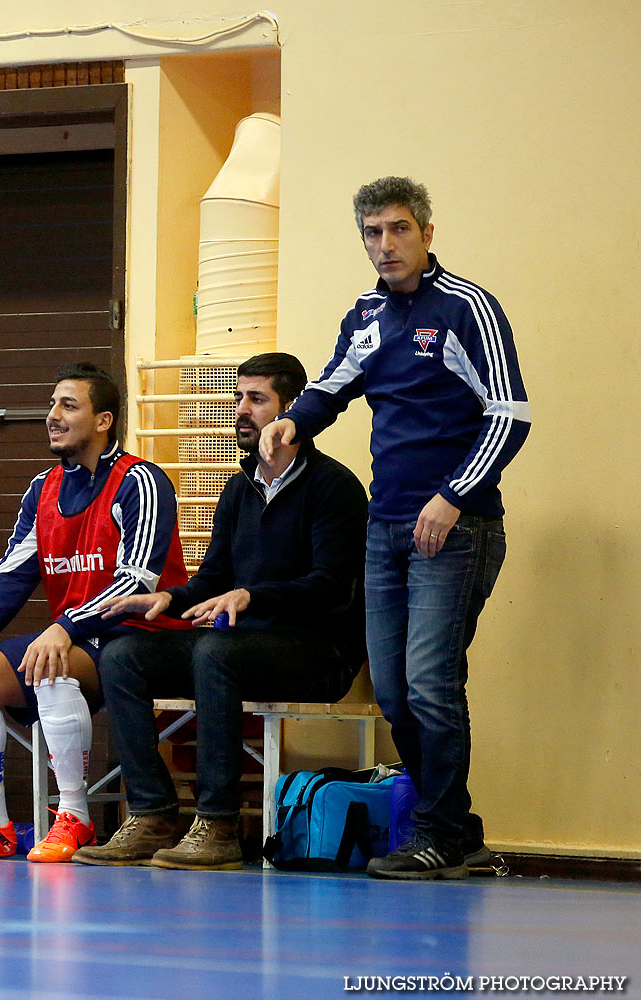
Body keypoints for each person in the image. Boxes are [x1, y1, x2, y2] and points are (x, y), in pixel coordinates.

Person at [261, 177, 528, 880]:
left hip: (454, 527)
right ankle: (457, 830)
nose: (386, 245)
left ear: (427, 234)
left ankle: (440, 833)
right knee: (398, 690)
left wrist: (453, 497)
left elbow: (510, 414)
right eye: (372, 233)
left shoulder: (467, 308)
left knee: (432, 683)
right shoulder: (368, 315)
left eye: (399, 229)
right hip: (386, 531)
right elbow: (331, 385)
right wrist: (293, 421)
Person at [72, 353, 368, 869]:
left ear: (291, 409)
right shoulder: (240, 486)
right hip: (244, 645)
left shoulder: (334, 487)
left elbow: (333, 588)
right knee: (123, 655)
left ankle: (219, 824)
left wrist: (253, 597)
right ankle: (153, 813)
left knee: (214, 651)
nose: (241, 410)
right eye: (239, 398)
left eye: (256, 400)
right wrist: (170, 597)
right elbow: (214, 578)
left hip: (319, 651)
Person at [0, 362, 190, 863]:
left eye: (68, 405)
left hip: (144, 638)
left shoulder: (142, 480)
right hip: (77, 636)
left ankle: (75, 818)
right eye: (51, 405)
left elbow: (138, 580)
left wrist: (64, 626)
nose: (53, 416)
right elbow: (11, 575)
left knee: (51, 667)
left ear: (103, 419)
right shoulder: (43, 488)